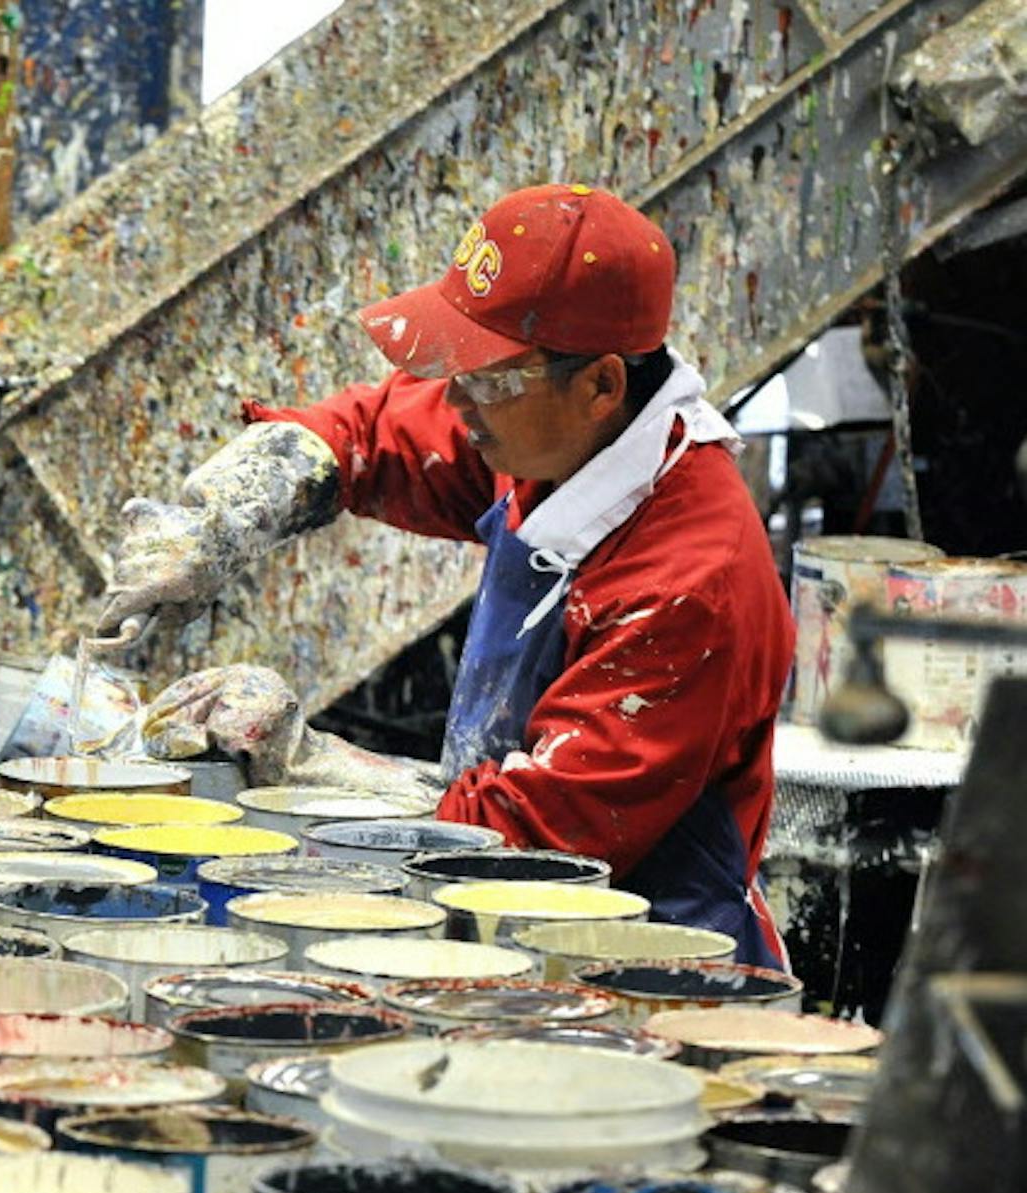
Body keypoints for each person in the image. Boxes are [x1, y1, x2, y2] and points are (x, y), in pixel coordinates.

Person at [101, 184, 795, 966]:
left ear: (602, 384)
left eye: (489, 374)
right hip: (488, 896)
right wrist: (220, 516)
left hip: (637, 948)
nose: (458, 396)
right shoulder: (549, 432)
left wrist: (303, 765)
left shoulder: (687, 584)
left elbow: (528, 841)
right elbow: (370, 435)